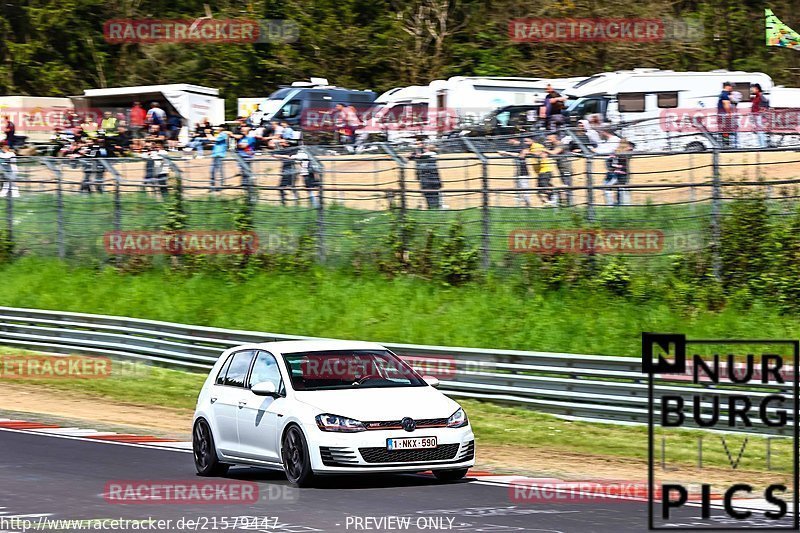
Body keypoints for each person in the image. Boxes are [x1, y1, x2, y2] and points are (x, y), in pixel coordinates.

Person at [497, 138, 531, 207]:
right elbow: (510, 154)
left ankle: (528, 204)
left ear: (513, 139)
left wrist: (507, 153)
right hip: (517, 171)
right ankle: (517, 205)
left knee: (525, 189)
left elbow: (521, 155)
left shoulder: (522, 145)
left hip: (523, 171)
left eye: (509, 140)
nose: (508, 141)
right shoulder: (513, 147)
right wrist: (503, 153)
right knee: (516, 189)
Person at [409, 142, 442, 209]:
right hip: (434, 180)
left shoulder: (427, 155)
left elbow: (413, 157)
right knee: (436, 195)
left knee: (429, 195)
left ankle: (432, 208)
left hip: (427, 180)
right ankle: (436, 207)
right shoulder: (432, 155)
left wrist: (416, 153)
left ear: (427, 149)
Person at [528, 137, 558, 206]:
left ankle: (554, 197)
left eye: (527, 141)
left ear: (532, 140)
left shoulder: (537, 146)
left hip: (545, 170)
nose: (525, 142)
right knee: (540, 190)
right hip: (540, 172)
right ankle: (549, 202)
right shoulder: (531, 147)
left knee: (544, 186)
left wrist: (528, 153)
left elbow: (538, 154)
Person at [545, 133, 573, 206]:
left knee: (567, 186)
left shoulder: (561, 145)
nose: (548, 141)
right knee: (565, 184)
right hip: (561, 168)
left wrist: (543, 149)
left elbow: (554, 153)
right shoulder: (553, 146)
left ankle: (569, 203)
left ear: (555, 138)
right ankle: (566, 202)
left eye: (549, 139)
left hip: (566, 168)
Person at [604, 139, 633, 206]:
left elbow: (608, 162)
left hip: (618, 174)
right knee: (621, 189)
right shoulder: (622, 152)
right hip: (621, 174)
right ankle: (623, 204)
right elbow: (609, 161)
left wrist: (611, 168)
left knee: (613, 189)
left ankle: (612, 205)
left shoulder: (618, 152)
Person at [209, 126, 228, 192]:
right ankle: (212, 185)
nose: (217, 129)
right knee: (213, 170)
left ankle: (221, 185)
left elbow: (213, 139)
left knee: (218, 170)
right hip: (215, 154)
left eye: (218, 128)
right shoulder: (220, 134)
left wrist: (207, 133)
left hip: (219, 154)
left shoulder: (223, 134)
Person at [751, 83, 770, 148]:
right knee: (758, 131)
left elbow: (765, 105)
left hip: (759, 116)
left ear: (757, 89)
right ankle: (760, 144)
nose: (752, 90)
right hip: (756, 115)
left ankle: (762, 145)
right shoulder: (756, 96)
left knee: (760, 131)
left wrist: (761, 112)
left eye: (753, 88)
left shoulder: (760, 96)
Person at [717, 82, 734, 148]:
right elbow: (726, 105)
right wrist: (729, 114)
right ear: (727, 86)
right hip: (724, 115)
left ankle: (723, 143)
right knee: (725, 130)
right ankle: (726, 144)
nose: (731, 88)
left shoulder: (722, 94)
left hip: (720, 114)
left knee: (722, 130)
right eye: (731, 86)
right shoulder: (725, 95)